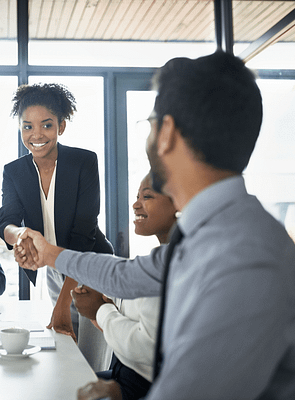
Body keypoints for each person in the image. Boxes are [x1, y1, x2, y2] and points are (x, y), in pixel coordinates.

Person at [15, 51, 295, 399]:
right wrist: (51, 254)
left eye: (149, 123)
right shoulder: (211, 232)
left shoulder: (245, 257)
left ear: (166, 133)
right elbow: (126, 276)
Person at [0, 83, 114, 371]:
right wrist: (21, 235)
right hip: (53, 267)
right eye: (27, 127)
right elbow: (7, 221)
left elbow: (83, 232)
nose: (36, 135)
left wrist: (63, 302)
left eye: (46, 125)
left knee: (91, 353)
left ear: (61, 126)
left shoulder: (84, 162)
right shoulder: (13, 171)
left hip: (91, 262)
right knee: (66, 347)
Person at [73, 172, 176, 400]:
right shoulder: (156, 261)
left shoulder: (170, 268)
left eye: (146, 197)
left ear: (179, 202)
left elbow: (145, 347)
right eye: (137, 196)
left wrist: (101, 311)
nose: (135, 205)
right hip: (124, 376)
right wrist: (102, 310)